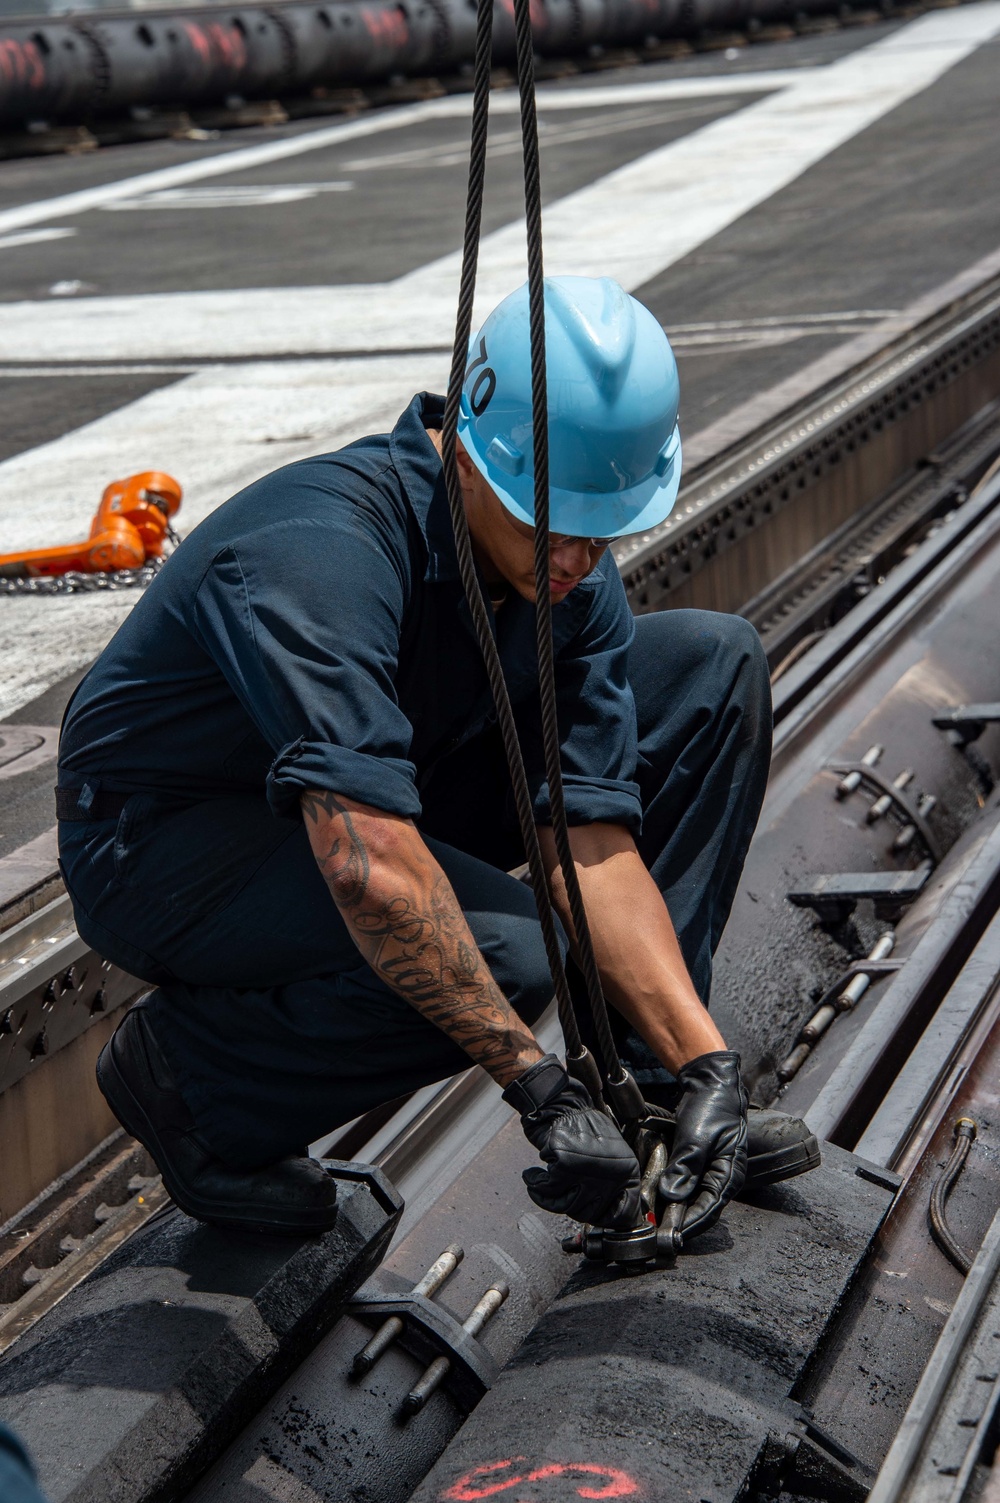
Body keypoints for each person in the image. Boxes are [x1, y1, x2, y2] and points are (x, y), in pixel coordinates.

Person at [56, 276, 818, 1243]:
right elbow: (365, 859)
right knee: (510, 958)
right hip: (166, 838)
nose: (579, 558)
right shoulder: (320, 550)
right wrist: (537, 1088)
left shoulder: (559, 559)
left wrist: (709, 1063)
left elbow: (586, 836)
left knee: (709, 664)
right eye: (551, 523)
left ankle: (659, 1104)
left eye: (603, 527)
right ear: (467, 450)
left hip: (390, 770)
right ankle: (197, 1085)